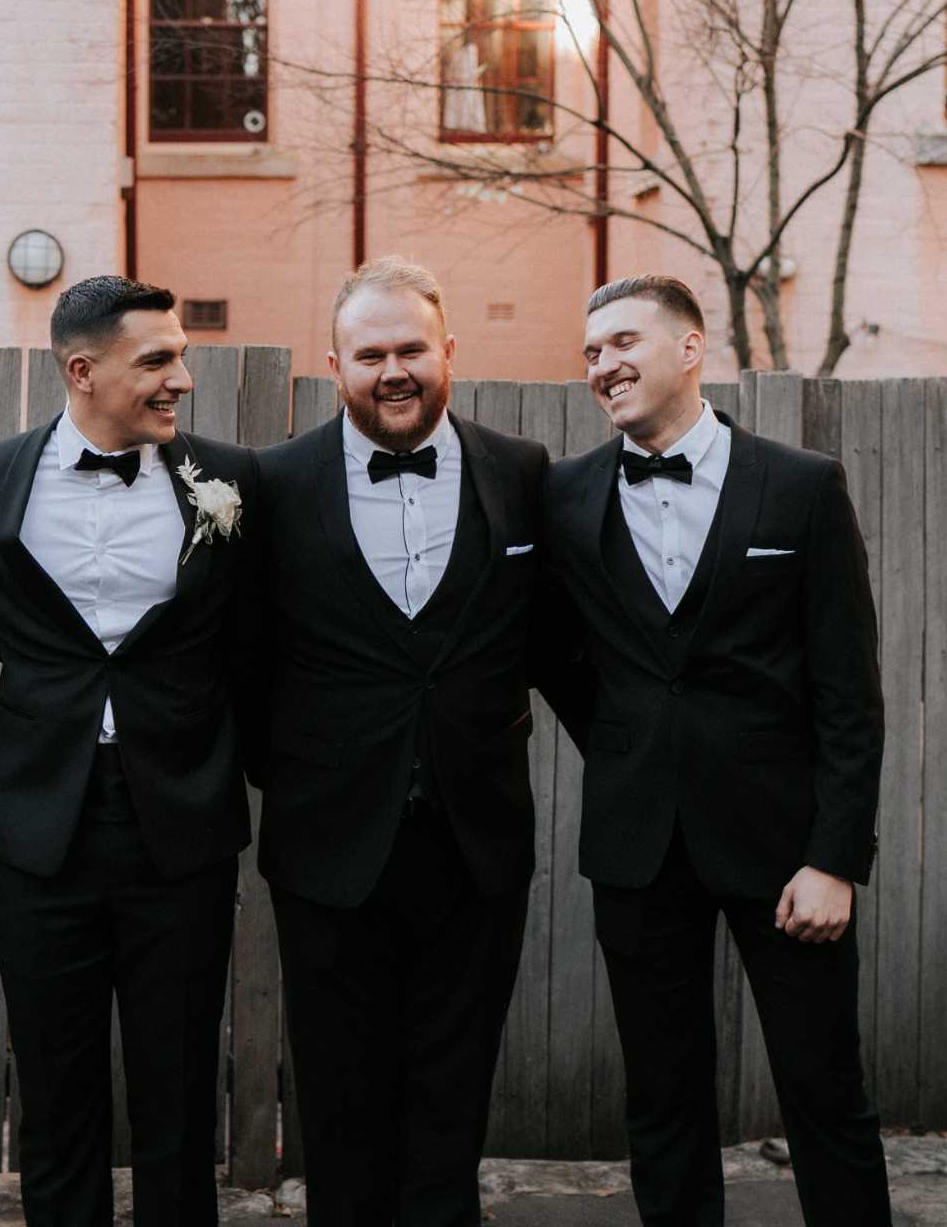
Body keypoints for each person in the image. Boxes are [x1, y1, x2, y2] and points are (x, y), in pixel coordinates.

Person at [243, 257, 592, 1226]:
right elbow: (238, 658)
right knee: (339, 1103)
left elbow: (560, 645)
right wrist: (297, 772)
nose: (393, 371)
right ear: (334, 365)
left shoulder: (520, 473)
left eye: (410, 350)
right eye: (370, 355)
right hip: (327, 845)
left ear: (447, 353)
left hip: (475, 842)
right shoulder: (272, 483)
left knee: (453, 1097)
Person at [546, 275, 890, 1225]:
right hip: (637, 846)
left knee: (826, 1093)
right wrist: (628, 749)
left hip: (787, 850)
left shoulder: (801, 485)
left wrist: (834, 857)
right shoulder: (566, 498)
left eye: (622, 343)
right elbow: (561, 663)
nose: (602, 366)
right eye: (590, 352)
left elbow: (849, 696)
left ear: (691, 348)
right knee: (661, 1099)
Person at [0, 275, 257, 1227]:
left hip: (184, 822)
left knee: (180, 1088)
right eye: (156, 360)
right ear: (82, 369)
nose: (181, 380)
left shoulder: (230, 478)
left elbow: (259, 644)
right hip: (43, 830)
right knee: (56, 1090)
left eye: (181, 357)